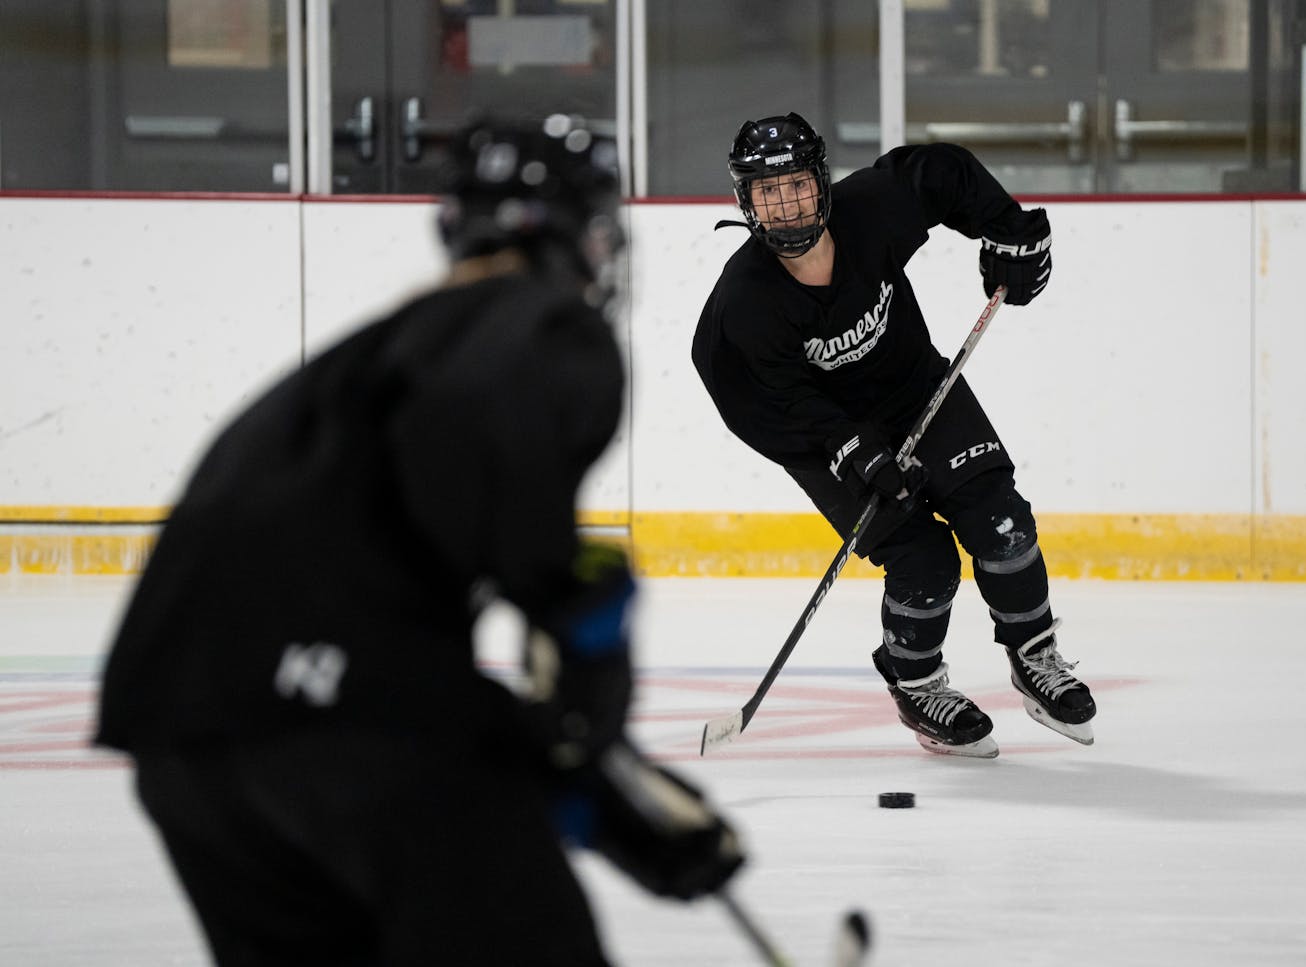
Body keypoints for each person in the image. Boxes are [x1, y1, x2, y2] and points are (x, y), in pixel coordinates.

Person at [95, 115, 743, 967]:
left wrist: (588, 786)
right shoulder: (544, 325)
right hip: (326, 714)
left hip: (177, 732)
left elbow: (394, 664)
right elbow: (483, 467)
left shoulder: (363, 360)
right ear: (587, 234)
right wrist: (578, 613)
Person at [692, 112, 1095, 758]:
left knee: (1000, 518)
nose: (786, 205)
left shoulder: (868, 211)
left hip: (915, 388)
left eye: (795, 184)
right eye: (768, 192)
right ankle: (917, 683)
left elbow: (942, 173)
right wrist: (848, 447)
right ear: (746, 202)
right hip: (820, 435)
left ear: (821, 183)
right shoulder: (745, 304)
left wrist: (1013, 232)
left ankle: (1035, 654)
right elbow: (770, 404)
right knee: (922, 559)